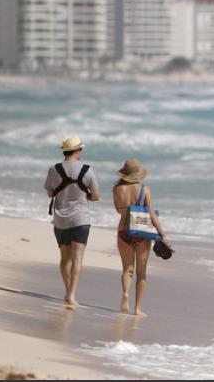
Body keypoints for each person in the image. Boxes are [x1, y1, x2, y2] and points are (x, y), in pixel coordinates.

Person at [45, 135, 100, 309]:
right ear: (77, 150)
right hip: (80, 219)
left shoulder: (54, 169)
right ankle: (71, 294)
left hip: (60, 219)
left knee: (64, 259)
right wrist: (84, 195)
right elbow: (96, 196)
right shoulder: (88, 170)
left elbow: (49, 193)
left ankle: (68, 291)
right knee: (78, 258)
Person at [112, 158, 167, 316]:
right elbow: (151, 215)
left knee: (127, 270)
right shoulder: (144, 190)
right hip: (141, 233)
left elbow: (118, 210)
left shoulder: (117, 189)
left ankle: (125, 294)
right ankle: (137, 308)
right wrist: (161, 233)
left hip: (123, 231)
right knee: (141, 274)